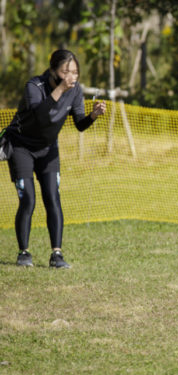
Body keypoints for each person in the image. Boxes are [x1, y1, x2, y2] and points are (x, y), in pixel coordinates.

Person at [5, 49, 106, 268]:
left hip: (48, 149)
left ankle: (57, 254)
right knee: (28, 199)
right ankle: (24, 253)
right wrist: (60, 89)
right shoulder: (34, 86)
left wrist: (92, 116)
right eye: (66, 71)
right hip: (22, 146)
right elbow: (41, 116)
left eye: (75, 72)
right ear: (53, 71)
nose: (72, 77)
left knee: (52, 197)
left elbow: (79, 123)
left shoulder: (75, 90)